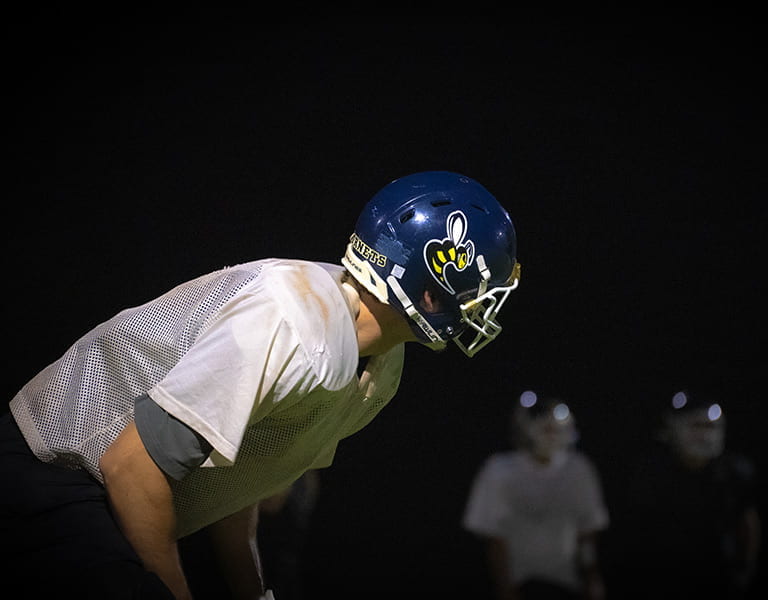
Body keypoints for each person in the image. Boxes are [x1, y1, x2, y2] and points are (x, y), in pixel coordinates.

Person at [0, 171, 521, 599]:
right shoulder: (290, 320)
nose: (486, 305)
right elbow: (131, 465)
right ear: (431, 290)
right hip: (54, 470)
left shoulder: (379, 366)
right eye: (482, 288)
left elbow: (239, 474)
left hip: (110, 495)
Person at [463, 390, 609, 600]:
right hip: (520, 584)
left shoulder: (579, 469)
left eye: (554, 424)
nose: (548, 430)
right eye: (541, 421)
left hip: (567, 585)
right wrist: (505, 589)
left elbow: (587, 533)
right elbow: (494, 538)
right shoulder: (498, 470)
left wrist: (592, 578)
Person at [619, 388, 761, 599]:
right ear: (672, 428)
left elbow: (748, 523)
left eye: (710, 426)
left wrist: (746, 569)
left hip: (718, 577)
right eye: (696, 425)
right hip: (665, 578)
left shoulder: (734, 472)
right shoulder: (651, 472)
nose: (704, 435)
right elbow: (636, 528)